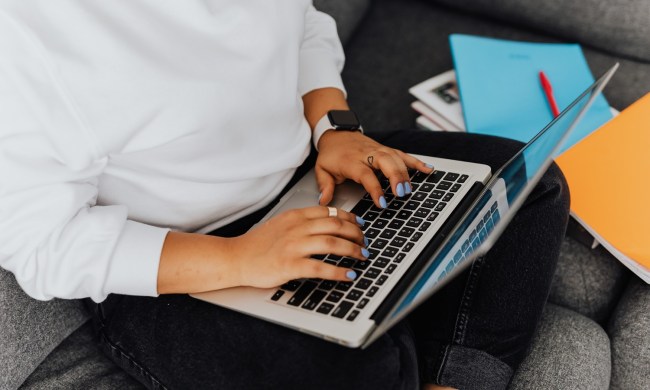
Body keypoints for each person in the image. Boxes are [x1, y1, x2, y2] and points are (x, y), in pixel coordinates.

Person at [0, 2, 569, 389]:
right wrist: (240, 259)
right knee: (357, 367)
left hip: (312, 181)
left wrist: (336, 129)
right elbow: (43, 244)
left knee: (526, 185)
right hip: (185, 265)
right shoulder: (27, 37)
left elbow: (302, 24)